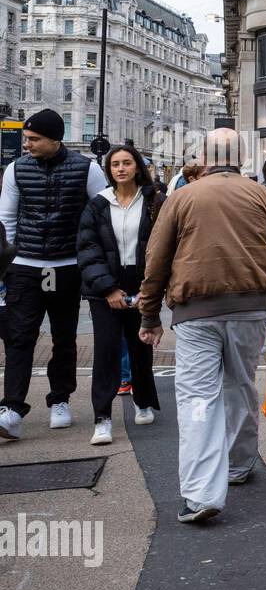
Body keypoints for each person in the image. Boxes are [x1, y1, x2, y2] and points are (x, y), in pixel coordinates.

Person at [137, 129, 266, 524]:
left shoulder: (183, 197)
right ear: (241, 158)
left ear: (203, 157)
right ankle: (239, 466)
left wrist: (150, 315)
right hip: (250, 308)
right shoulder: (262, 196)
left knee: (198, 399)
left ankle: (202, 492)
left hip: (195, 311)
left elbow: (156, 258)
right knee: (240, 384)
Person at [0, 110, 107, 440]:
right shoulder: (16, 169)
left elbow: (102, 216)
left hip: (66, 266)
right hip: (26, 266)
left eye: (34, 139)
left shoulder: (88, 169)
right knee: (20, 337)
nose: (27, 144)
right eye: (27, 139)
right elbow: (7, 221)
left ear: (54, 139)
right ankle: (12, 409)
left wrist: (91, 260)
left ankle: (59, 399)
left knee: (64, 337)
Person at [77, 144, 164, 445]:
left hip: (142, 281)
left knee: (140, 346)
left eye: (127, 163)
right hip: (105, 285)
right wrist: (109, 289)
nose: (121, 168)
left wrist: (149, 288)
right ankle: (102, 418)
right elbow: (88, 250)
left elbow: (163, 246)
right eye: (115, 164)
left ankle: (142, 401)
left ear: (137, 167)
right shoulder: (97, 205)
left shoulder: (154, 202)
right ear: (109, 170)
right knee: (105, 350)